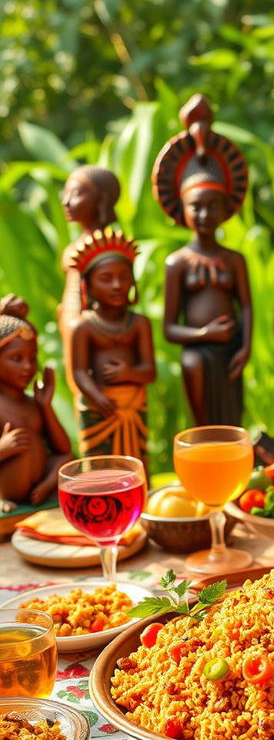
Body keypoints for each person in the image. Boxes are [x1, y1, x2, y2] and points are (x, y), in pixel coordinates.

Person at [152, 94, 251, 427]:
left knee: (232, 420)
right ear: (183, 209)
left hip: (230, 352)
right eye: (197, 206)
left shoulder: (234, 260)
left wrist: (245, 347)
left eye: (213, 205)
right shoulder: (177, 263)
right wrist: (204, 333)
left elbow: (246, 307)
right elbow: (169, 328)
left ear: (226, 209)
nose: (205, 213)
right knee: (194, 371)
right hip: (199, 353)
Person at [69, 228, 156, 468]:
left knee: (135, 464)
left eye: (124, 277)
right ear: (89, 285)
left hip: (133, 404)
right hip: (100, 409)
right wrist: (96, 396)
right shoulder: (84, 327)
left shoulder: (139, 323)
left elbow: (150, 371)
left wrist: (129, 373)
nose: (117, 285)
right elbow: (78, 372)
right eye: (106, 279)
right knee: (100, 465)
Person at [0, 307, 71, 512]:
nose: (27, 367)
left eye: (32, 359)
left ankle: (44, 489)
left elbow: (63, 449)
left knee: (67, 461)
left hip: (39, 483)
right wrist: (3, 448)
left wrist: (45, 406)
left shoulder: (32, 403)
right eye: (16, 359)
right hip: (7, 487)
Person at [60, 166, 121, 389]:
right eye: (64, 193)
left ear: (101, 200)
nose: (66, 201)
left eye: (75, 193)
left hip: (93, 332)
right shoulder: (79, 244)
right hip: (70, 321)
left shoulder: (107, 245)